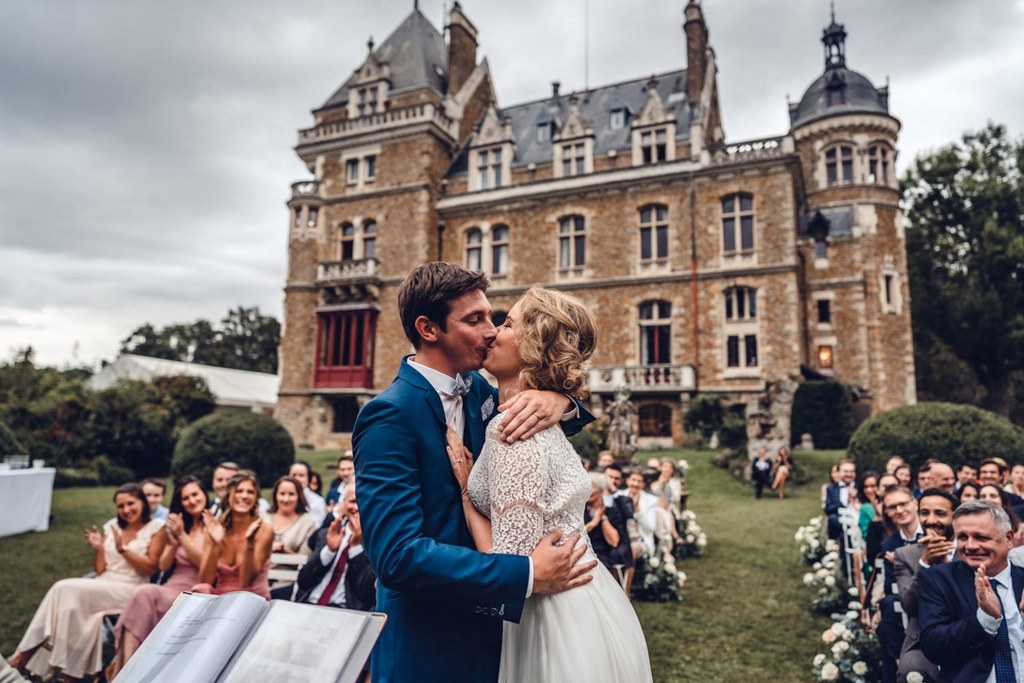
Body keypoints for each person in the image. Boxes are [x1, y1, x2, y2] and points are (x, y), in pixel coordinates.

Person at [352, 262, 596, 683]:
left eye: (492, 317)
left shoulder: (482, 390)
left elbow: (541, 420)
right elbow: (396, 557)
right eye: (474, 319)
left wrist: (560, 400)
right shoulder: (389, 416)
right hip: (430, 642)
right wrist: (527, 573)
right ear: (429, 329)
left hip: (499, 632)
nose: (490, 330)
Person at [447, 286, 652, 681]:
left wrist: (466, 496)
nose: (492, 332)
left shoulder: (514, 428)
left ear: (534, 346)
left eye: (506, 323)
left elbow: (511, 567)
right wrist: (560, 399)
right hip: (589, 605)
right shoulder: (537, 418)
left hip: (549, 617)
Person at [7, 484, 165, 682]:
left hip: (132, 589)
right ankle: (69, 677)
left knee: (63, 588)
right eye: (120, 506)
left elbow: (150, 568)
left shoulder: (157, 528)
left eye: (130, 504)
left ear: (142, 501)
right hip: (103, 583)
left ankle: (22, 658)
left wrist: (123, 549)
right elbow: (100, 569)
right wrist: (99, 549)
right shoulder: (112, 526)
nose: (126, 510)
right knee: (76, 612)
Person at [107, 476, 209, 678]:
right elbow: (163, 565)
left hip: (196, 589)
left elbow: (206, 566)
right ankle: (129, 670)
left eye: (195, 495)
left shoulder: (213, 526)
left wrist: (183, 537)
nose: (192, 501)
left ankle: (126, 672)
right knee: (143, 595)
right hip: (172, 585)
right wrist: (172, 543)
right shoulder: (184, 526)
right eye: (186, 498)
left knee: (144, 593)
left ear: (204, 495)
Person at [919, 500, 1024, 682]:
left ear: (1008, 539)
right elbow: (932, 646)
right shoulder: (938, 580)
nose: (970, 546)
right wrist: (985, 619)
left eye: (981, 537)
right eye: (962, 537)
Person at [893, 488, 957, 683]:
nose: (930, 520)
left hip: (967, 636)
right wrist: (925, 563)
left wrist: (946, 562)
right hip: (922, 642)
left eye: (940, 513)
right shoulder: (905, 555)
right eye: (924, 513)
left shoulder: (970, 551)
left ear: (955, 516)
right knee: (910, 671)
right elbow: (909, 605)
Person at [295, 482, 375, 611]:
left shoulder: (376, 542)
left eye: (363, 501)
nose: (358, 507)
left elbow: (365, 593)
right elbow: (304, 582)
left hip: (346, 611)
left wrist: (355, 549)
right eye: (353, 501)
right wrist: (329, 551)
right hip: (311, 604)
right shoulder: (328, 533)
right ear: (343, 504)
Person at [196, 471, 274, 599]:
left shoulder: (265, 530)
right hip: (221, 598)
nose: (244, 496)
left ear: (256, 498)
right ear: (228, 496)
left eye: (250, 492)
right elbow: (205, 580)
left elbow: (246, 581)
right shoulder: (215, 528)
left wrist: (250, 543)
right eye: (238, 491)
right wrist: (214, 544)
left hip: (252, 598)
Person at [267, 475, 317, 599]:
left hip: (288, 584)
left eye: (291, 494)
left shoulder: (307, 522)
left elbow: (306, 562)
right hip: (258, 580)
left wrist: (283, 550)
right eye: (282, 494)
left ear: (299, 496)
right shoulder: (263, 517)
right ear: (275, 495)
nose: (286, 499)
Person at [825, 459, 857, 539]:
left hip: (858, 521)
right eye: (846, 471)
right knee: (832, 519)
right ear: (839, 472)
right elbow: (828, 509)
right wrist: (844, 502)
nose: (849, 474)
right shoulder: (832, 488)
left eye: (852, 471)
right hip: (839, 523)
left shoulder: (860, 487)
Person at [288, 461, 327, 526]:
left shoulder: (318, 501)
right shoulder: (281, 498)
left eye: (301, 475)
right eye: (294, 475)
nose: (297, 478)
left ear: (308, 478)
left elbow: (316, 526)